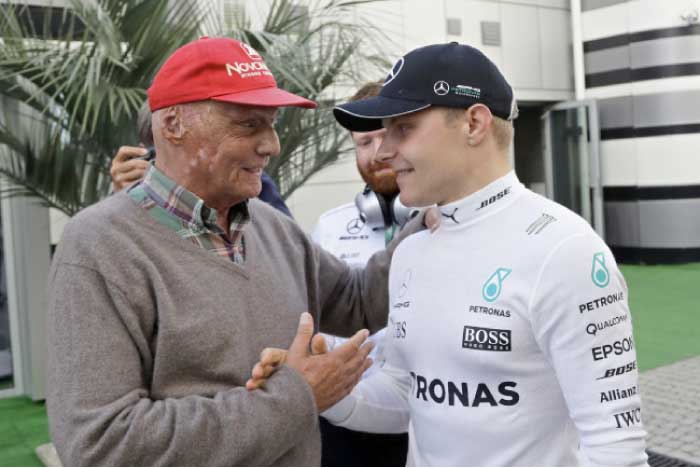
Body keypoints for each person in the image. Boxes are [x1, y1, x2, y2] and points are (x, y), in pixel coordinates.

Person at [250, 42, 648, 466]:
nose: (384, 151)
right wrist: (323, 389)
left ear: (474, 124)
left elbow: (616, 448)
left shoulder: (566, 250)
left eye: (403, 129)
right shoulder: (411, 251)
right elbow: (407, 394)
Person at [46, 37, 425, 466]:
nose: (271, 145)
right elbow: (101, 445)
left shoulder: (271, 227)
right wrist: (296, 395)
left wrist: (435, 212)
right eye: (248, 125)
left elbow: (357, 301)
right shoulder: (98, 247)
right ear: (172, 125)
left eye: (272, 123)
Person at [311, 82, 409, 466]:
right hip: (343, 420)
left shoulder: (444, 222)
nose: (375, 154)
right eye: (362, 143)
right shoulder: (329, 226)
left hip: (422, 420)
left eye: (383, 138)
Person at [110, 103, 293, 217]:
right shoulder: (109, 220)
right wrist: (123, 199)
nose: (272, 147)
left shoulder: (248, 181)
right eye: (155, 155)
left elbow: (283, 249)